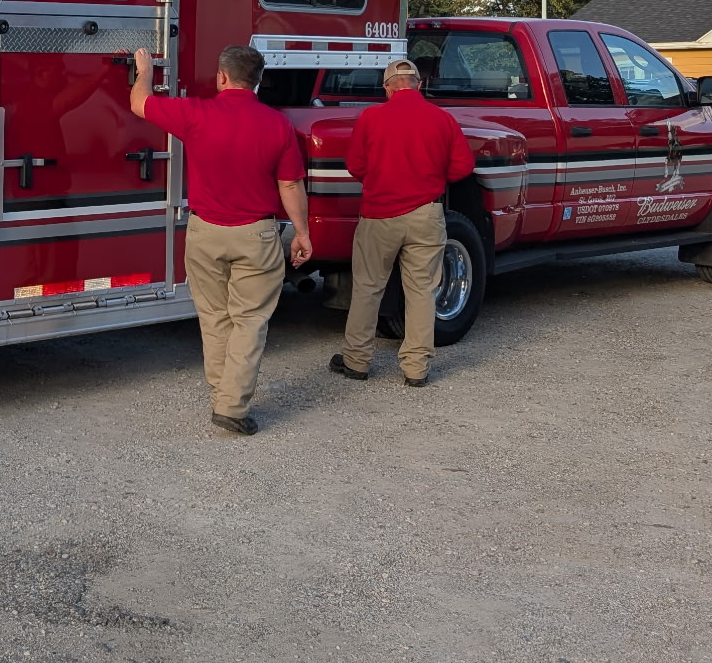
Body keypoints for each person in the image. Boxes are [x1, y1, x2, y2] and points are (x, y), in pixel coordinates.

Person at [131, 44, 311, 435]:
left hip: (205, 232)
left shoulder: (196, 113)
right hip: (257, 235)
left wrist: (144, 70)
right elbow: (290, 185)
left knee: (214, 319)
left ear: (223, 77)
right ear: (257, 81)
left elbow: (140, 104)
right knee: (250, 320)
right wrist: (302, 231)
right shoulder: (277, 125)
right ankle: (231, 405)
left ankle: (222, 397)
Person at [330, 56, 474, 387]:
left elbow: (356, 166)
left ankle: (356, 361)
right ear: (419, 84)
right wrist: (433, 179)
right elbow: (462, 166)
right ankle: (416, 368)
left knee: (368, 287)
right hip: (426, 212)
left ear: (387, 88)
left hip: (380, 214)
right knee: (422, 290)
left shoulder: (371, 117)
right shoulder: (442, 118)